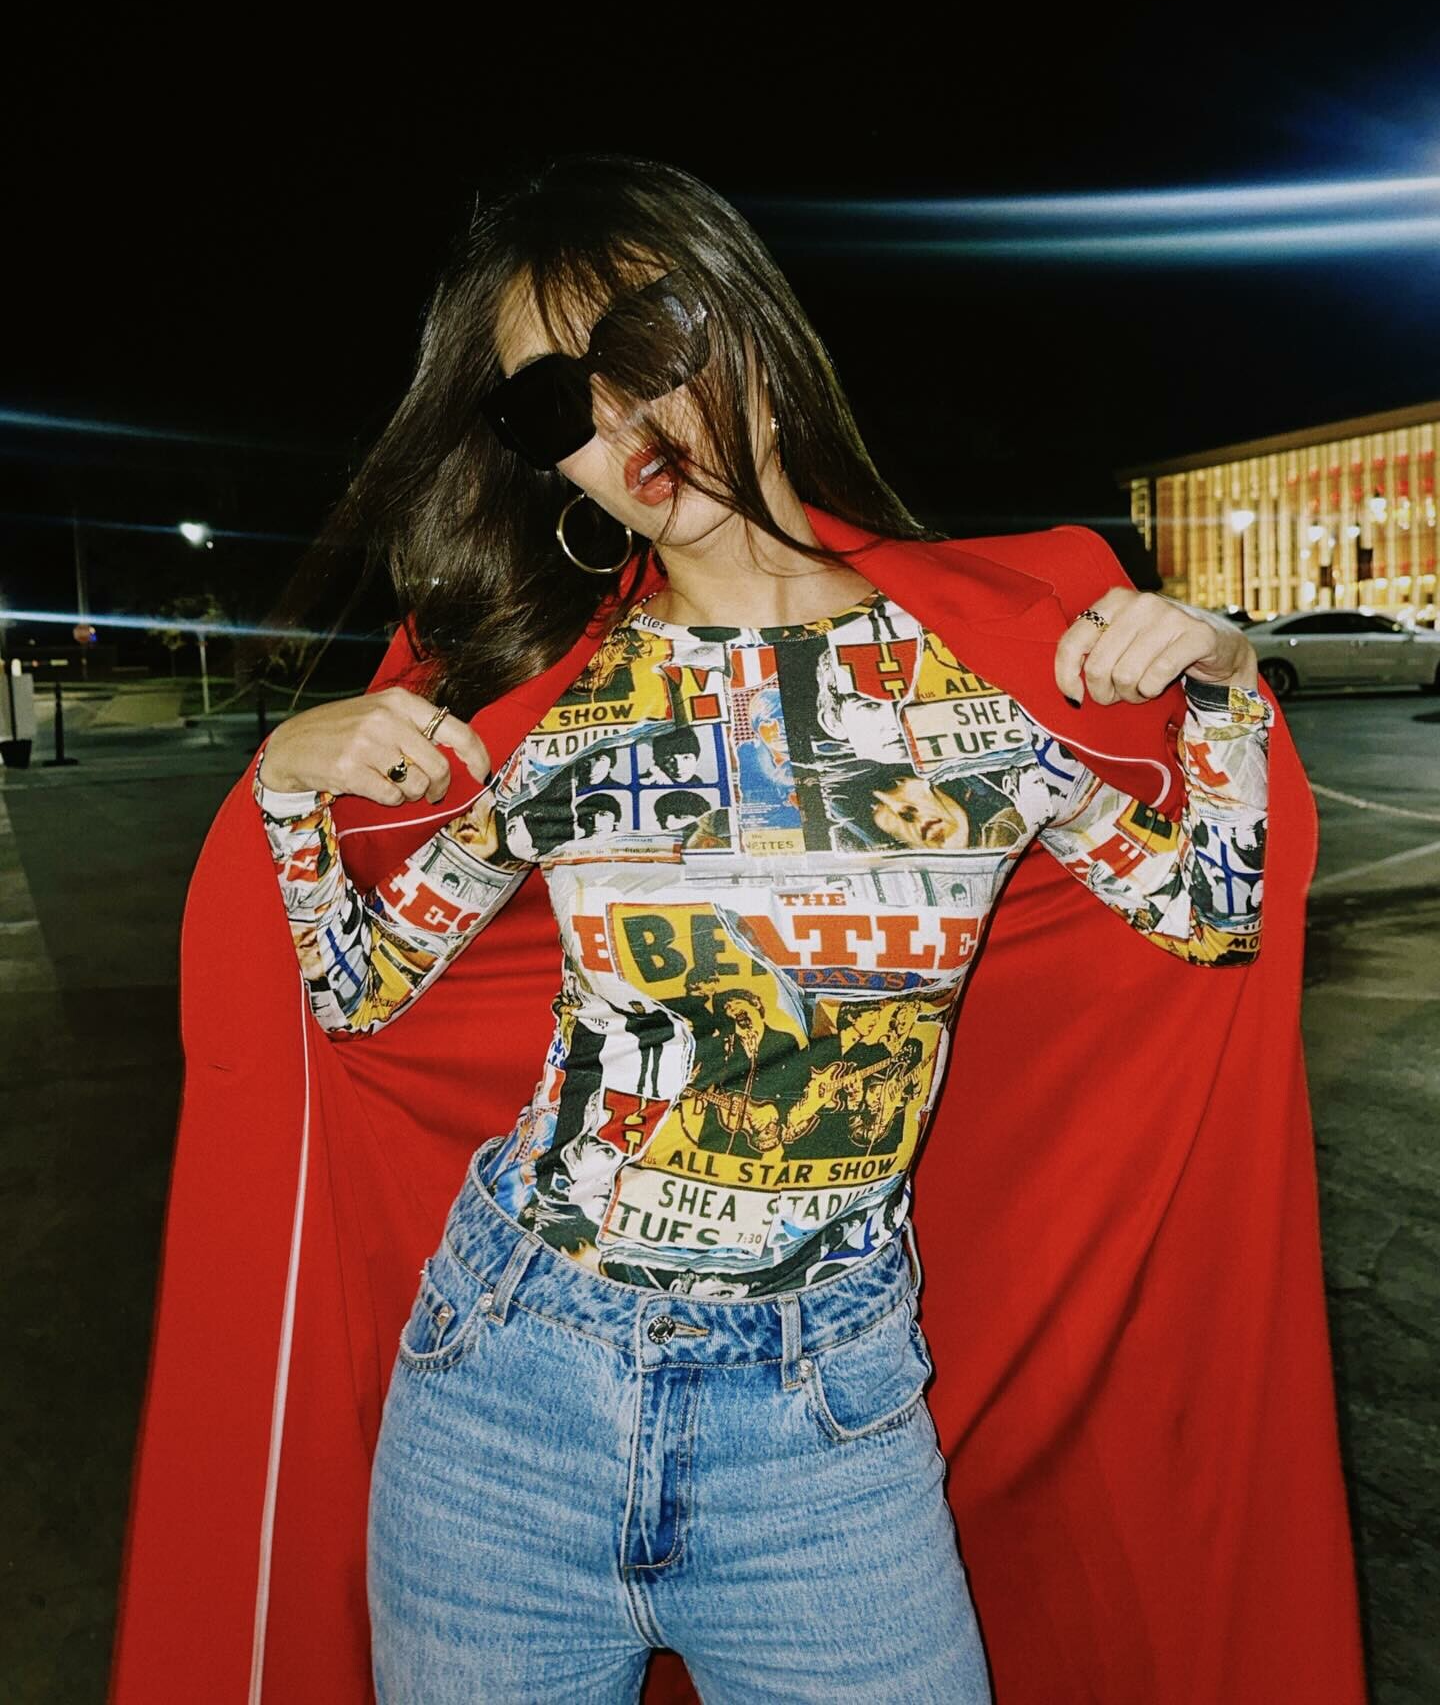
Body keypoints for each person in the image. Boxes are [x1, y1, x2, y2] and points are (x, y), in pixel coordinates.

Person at [110, 154, 1366, 1705]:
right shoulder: (553, 705)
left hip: (828, 1427)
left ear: (751, 324)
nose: (620, 425)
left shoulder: (987, 681)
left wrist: (1225, 683)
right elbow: (361, 998)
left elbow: (1212, 924)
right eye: (553, 405)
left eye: (645, 347)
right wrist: (287, 799)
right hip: (503, 1391)